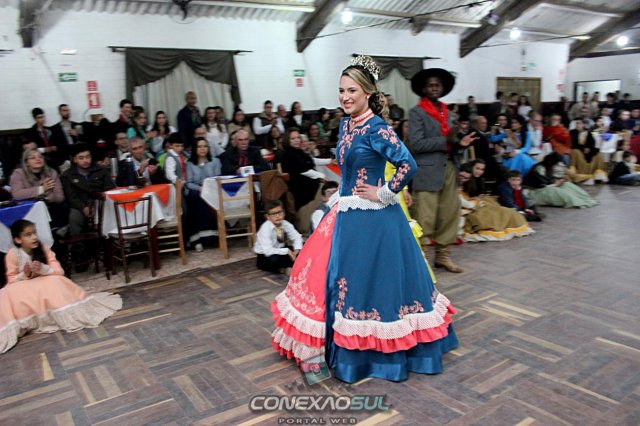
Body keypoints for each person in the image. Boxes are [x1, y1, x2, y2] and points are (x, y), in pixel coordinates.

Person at [270, 56, 458, 383]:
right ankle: (331, 349)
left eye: (352, 91)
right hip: (345, 213)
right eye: (341, 90)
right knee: (327, 277)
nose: (345, 97)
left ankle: (369, 356)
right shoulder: (346, 124)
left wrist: (383, 192)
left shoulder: (378, 128)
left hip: (374, 219)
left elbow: (408, 165)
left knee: (371, 285)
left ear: (368, 93)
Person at [0, 220, 122, 353]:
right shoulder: (13, 254)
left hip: (45, 280)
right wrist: (25, 274)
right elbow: (11, 279)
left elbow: (59, 271)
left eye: (34, 233)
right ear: (18, 240)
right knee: (5, 293)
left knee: (56, 282)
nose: (34, 237)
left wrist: (43, 269)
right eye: (28, 235)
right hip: (24, 285)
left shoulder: (44, 248)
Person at [407, 67, 477, 273]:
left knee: (448, 213)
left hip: (449, 167)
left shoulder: (448, 113)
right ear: (423, 89)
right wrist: (445, 140)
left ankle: (442, 256)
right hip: (427, 170)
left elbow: (451, 142)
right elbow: (416, 144)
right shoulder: (416, 113)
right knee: (425, 215)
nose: (434, 88)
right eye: (430, 85)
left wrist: (460, 144)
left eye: (437, 85)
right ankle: (421, 259)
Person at [459, 161, 534, 242]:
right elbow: (463, 200)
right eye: (477, 168)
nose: (479, 171)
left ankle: (518, 215)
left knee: (502, 211)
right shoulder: (458, 183)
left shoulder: (476, 180)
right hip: (471, 205)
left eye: (482, 169)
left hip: (479, 201)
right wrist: (475, 202)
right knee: (494, 214)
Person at [61, 143, 115, 236]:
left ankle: (110, 239)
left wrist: (99, 201)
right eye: (81, 158)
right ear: (74, 159)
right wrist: (83, 207)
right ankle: (77, 243)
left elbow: (110, 189)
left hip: (101, 203)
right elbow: (71, 197)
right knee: (74, 216)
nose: (86, 160)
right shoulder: (67, 175)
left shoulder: (101, 171)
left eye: (88, 157)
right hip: (80, 205)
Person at [9, 149, 68, 233]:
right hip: (28, 209)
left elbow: (60, 197)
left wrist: (47, 195)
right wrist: (41, 189)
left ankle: (56, 232)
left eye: (40, 157)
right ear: (26, 163)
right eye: (33, 158)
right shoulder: (18, 173)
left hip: (49, 207)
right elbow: (17, 194)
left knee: (61, 207)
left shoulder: (52, 173)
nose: (38, 159)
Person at [186, 137, 221, 252]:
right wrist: (199, 188)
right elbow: (189, 183)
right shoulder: (190, 163)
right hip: (197, 190)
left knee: (205, 198)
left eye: (205, 146)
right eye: (199, 146)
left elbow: (218, 179)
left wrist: (207, 188)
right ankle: (197, 240)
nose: (202, 149)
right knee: (194, 197)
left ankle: (211, 237)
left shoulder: (215, 161)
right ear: (195, 149)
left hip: (212, 190)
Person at [527, 153, 598, 208]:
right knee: (558, 192)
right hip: (535, 192)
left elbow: (549, 180)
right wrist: (556, 184)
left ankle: (585, 198)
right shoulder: (539, 169)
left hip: (547, 187)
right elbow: (542, 186)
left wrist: (559, 182)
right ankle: (576, 202)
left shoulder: (548, 168)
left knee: (567, 185)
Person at [254, 200, 302, 274]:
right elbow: (268, 251)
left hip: (281, 250)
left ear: (284, 213)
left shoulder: (285, 224)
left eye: (279, 212)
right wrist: (287, 251)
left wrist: (296, 250)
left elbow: (297, 237)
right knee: (274, 259)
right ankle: (282, 269)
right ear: (267, 217)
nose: (277, 216)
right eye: (273, 214)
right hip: (266, 255)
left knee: (302, 250)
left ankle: (290, 266)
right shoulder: (265, 229)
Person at [568, 118, 607, 185]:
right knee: (575, 151)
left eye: (579, 123)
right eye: (577, 123)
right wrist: (583, 148)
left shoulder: (588, 133)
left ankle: (597, 175)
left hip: (587, 153)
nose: (577, 125)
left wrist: (589, 148)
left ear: (583, 125)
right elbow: (572, 144)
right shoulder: (573, 132)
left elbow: (592, 143)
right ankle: (579, 174)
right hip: (578, 151)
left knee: (598, 155)